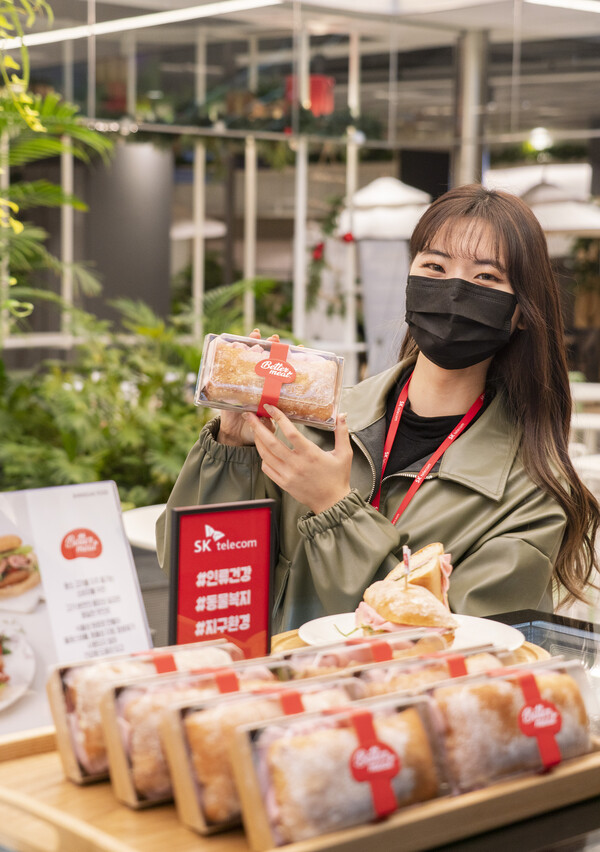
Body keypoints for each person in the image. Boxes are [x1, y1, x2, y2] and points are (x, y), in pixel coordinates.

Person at [156, 184, 600, 634]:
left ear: (521, 311)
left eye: (485, 278)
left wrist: (334, 506)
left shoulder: (532, 496)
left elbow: (456, 644)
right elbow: (192, 577)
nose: (453, 291)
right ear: (410, 282)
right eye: (434, 266)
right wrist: (231, 446)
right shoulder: (312, 429)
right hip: (279, 695)